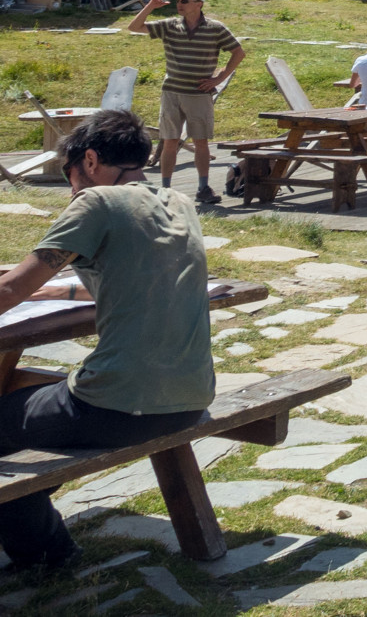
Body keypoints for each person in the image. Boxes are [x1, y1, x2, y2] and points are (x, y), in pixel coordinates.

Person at [0, 109, 214, 572]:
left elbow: (11, 290)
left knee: (4, 419)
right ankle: (34, 525)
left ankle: (48, 554)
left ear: (90, 160)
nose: (71, 188)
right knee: (30, 398)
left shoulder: (96, 202)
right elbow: (126, 277)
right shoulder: (177, 202)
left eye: (70, 176)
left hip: (121, 408)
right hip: (191, 397)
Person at [125, 0, 243, 204]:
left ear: (198, 4)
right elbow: (134, 27)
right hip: (172, 92)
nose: (179, 4)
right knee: (170, 141)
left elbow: (238, 52)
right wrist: (150, 6)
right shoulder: (170, 25)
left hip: (199, 94)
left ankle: (203, 188)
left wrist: (218, 79)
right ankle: (166, 190)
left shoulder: (215, 28)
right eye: (178, 1)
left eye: (185, 1)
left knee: (201, 142)